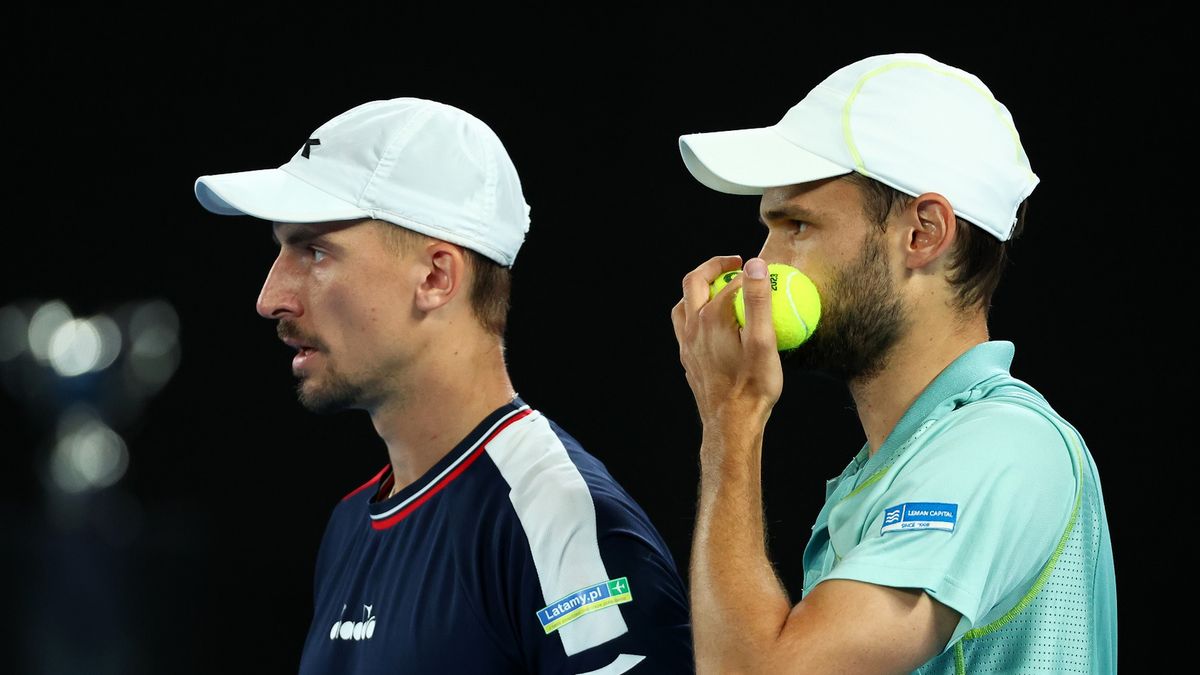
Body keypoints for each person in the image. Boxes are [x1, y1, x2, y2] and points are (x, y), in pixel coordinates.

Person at [194, 97, 693, 674]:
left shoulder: (558, 517)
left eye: (314, 250)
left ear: (436, 277)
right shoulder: (351, 524)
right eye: (281, 249)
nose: (269, 297)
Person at [670, 53, 1116, 673]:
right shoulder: (893, 467)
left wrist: (731, 415)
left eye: (796, 224)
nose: (761, 266)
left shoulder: (1002, 448)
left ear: (923, 234)